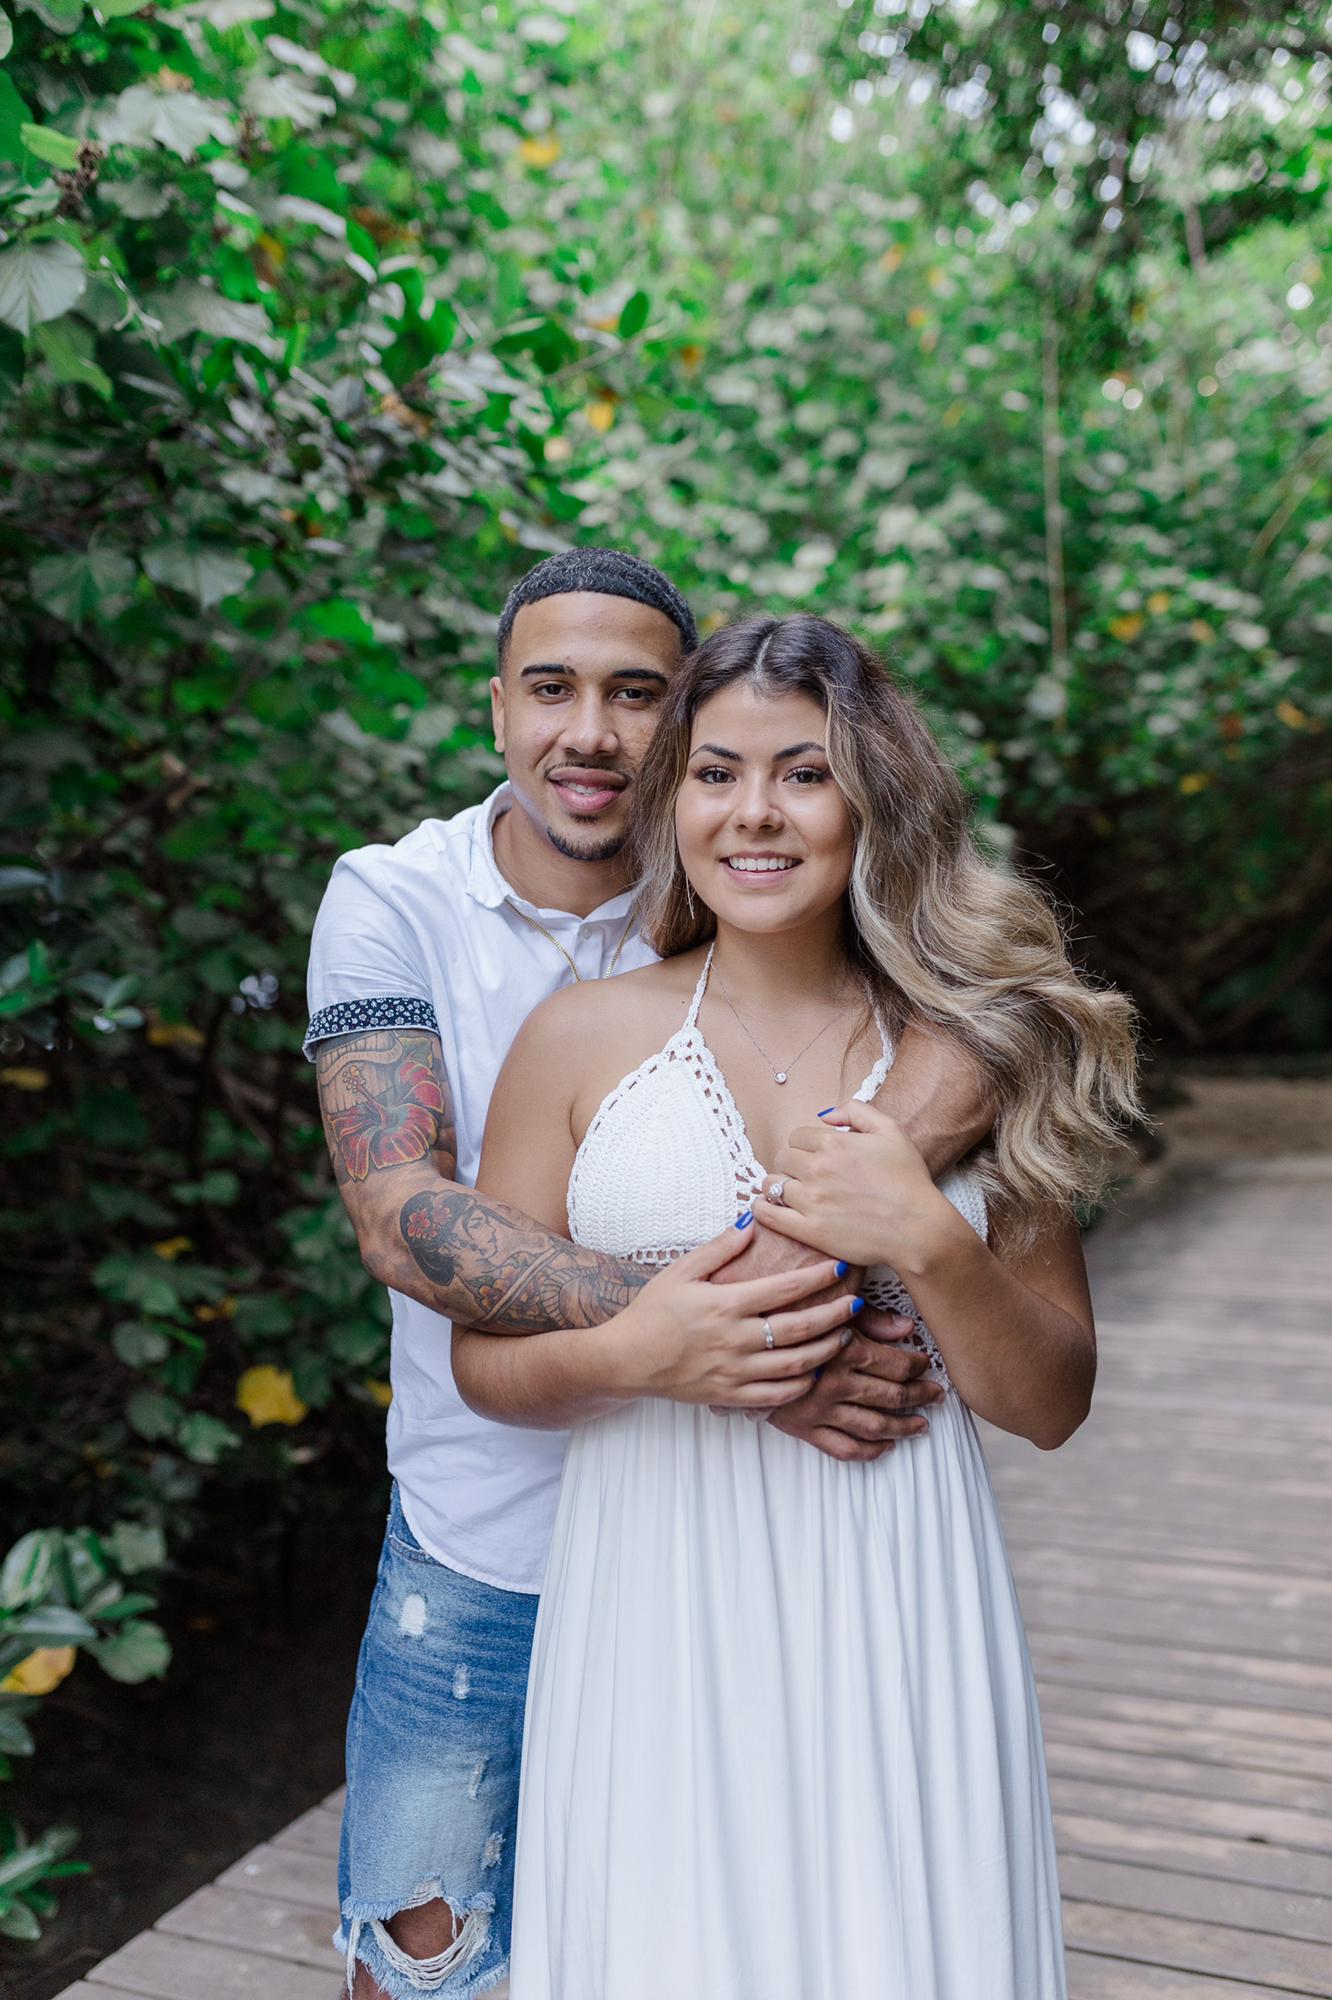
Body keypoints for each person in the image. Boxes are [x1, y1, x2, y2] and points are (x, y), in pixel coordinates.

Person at [305, 553, 999, 2000]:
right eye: (550, 689)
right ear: (497, 709)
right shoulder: (395, 900)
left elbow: (966, 1005)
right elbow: (401, 1216)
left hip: (753, 1537)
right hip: (491, 1527)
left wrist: (757, 1330)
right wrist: (751, 1344)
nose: (592, 733)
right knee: (423, 1960)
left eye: (636, 695)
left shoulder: (741, 864)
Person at [453, 613, 1141, 2000]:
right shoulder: (579, 1038)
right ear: (672, 799)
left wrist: (928, 1246)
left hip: (897, 1583)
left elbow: (1053, 1402)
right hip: (656, 1586)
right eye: (715, 773)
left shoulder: (970, 1047)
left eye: (804, 774)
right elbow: (485, 1364)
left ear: (874, 801)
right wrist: (646, 1355)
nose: (754, 813)